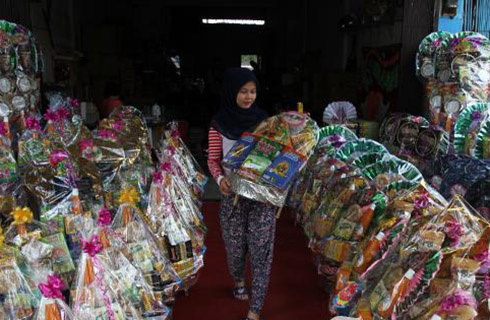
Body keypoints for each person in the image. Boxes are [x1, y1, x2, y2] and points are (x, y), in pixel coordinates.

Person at [207, 68, 275, 320]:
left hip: (261, 198)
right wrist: (220, 178)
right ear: (231, 92)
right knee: (235, 249)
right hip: (231, 196)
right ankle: (237, 278)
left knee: (261, 250)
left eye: (253, 91)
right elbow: (213, 160)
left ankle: (255, 309)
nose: (249, 97)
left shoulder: (266, 123)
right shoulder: (218, 125)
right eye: (243, 91)